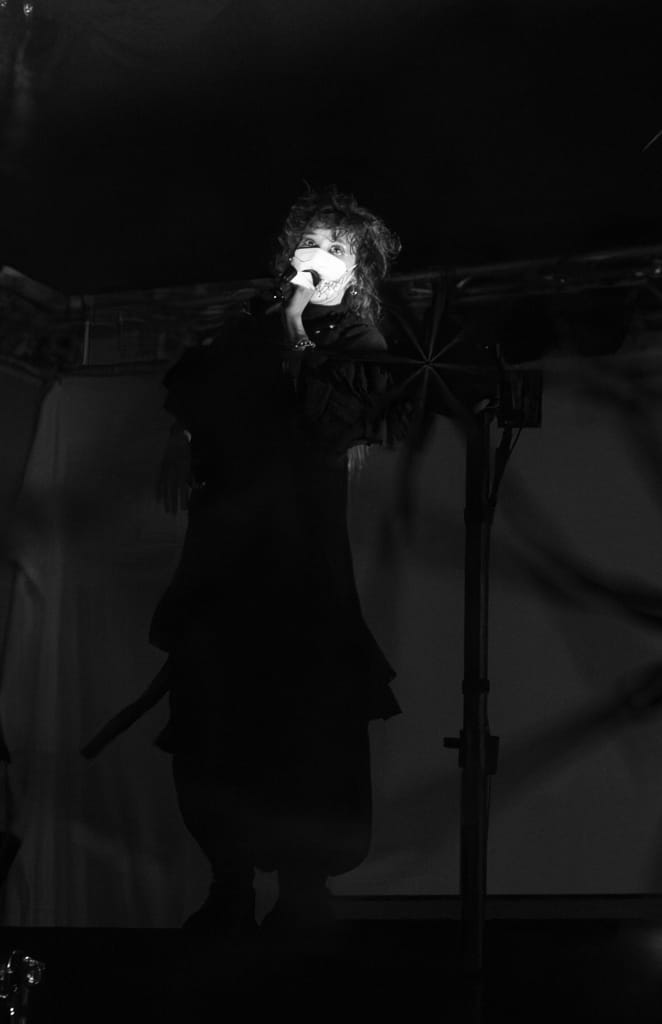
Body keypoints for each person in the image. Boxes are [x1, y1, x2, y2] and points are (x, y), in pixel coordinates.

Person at [150, 186, 403, 941]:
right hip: (226, 560)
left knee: (304, 725)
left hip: (300, 563)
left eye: (333, 244)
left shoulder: (360, 342)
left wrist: (296, 324)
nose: (313, 253)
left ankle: (301, 892)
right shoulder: (249, 327)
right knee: (214, 724)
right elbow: (196, 381)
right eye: (307, 239)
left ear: (356, 268)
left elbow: (330, 424)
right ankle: (228, 886)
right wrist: (183, 435)